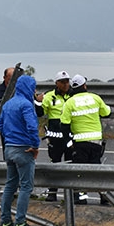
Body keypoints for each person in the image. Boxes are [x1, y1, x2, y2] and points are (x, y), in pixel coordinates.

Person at [0, 75, 40, 226]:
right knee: (26, 186)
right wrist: (35, 146)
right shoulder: (27, 105)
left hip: (9, 148)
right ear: (28, 87)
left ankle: (5, 221)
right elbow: (32, 127)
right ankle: (20, 222)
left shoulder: (8, 104)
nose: (35, 90)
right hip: (23, 149)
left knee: (10, 185)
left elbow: (0, 124)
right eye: (33, 87)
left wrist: (10, 137)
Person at [61, 75, 111, 205]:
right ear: (84, 86)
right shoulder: (95, 98)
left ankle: (81, 199)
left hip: (80, 144)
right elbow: (107, 113)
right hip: (96, 142)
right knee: (96, 170)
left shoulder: (70, 102)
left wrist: (69, 143)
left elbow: (64, 125)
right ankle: (104, 196)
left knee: (80, 173)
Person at [40, 71, 73, 202]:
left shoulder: (73, 95)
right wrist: (38, 102)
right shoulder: (49, 96)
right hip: (55, 138)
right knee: (55, 164)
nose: (66, 84)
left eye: (67, 81)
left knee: (71, 164)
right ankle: (52, 192)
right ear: (57, 83)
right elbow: (41, 112)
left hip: (70, 137)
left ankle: (72, 194)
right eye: (63, 82)